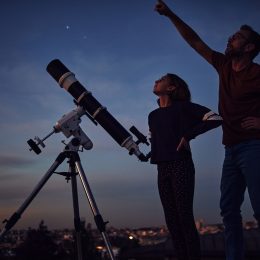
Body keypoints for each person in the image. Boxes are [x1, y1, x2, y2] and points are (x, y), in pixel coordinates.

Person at [154, 1, 260, 260]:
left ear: (249, 48)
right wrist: (170, 15)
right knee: (228, 211)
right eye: (233, 34)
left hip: (254, 146)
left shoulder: (258, 74)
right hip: (231, 149)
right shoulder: (224, 66)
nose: (231, 37)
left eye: (238, 37)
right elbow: (195, 41)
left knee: (259, 209)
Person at [148, 73, 222, 260]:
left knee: (184, 217)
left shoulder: (183, 107)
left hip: (181, 165)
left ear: (171, 88)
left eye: (162, 79)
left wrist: (189, 134)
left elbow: (215, 118)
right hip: (161, 168)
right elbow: (160, 139)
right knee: (171, 220)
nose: (156, 81)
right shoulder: (153, 115)